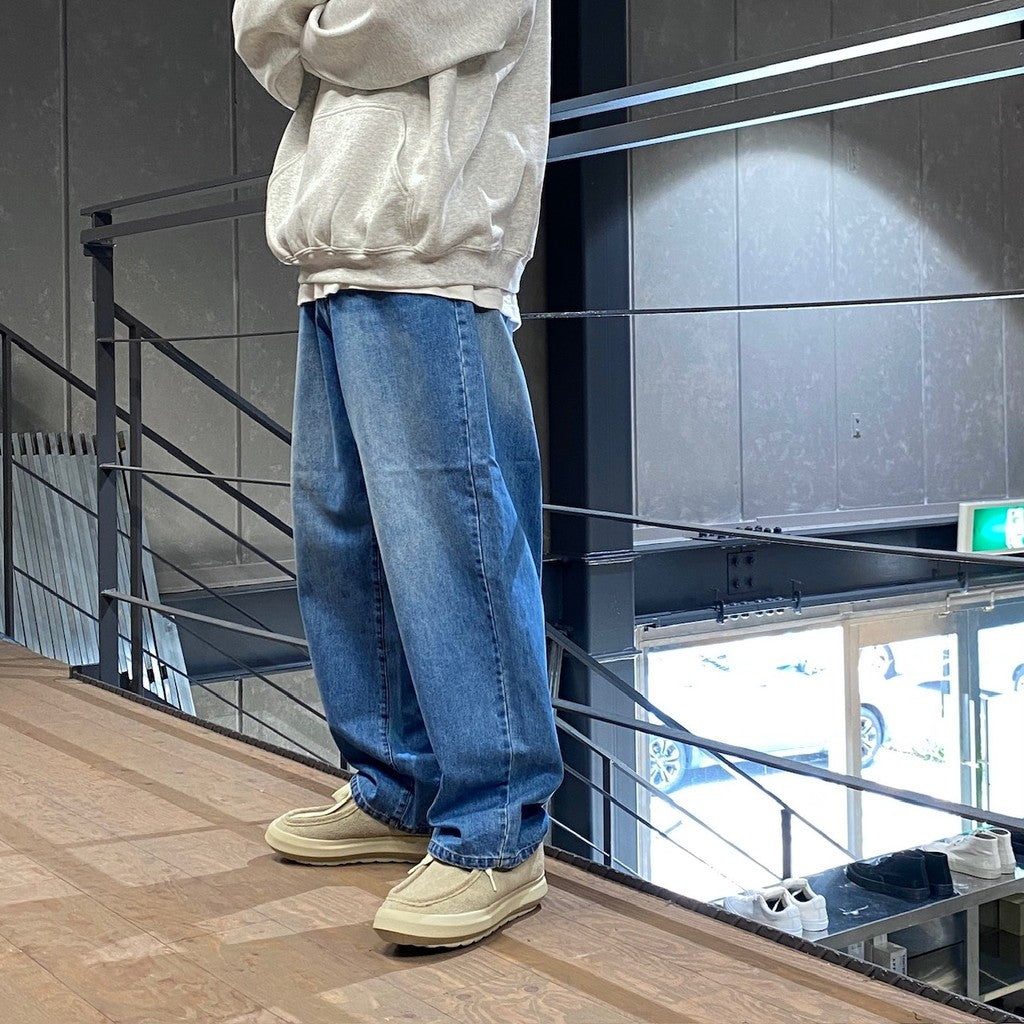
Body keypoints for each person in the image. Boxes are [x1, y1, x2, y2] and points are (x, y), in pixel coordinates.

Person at [232, 0, 564, 949]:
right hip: (330, 257)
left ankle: (499, 833)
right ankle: (395, 788)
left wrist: (317, 27)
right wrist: (314, 29)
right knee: (340, 535)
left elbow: (391, 24)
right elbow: (262, 34)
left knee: (451, 547)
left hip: (433, 257)